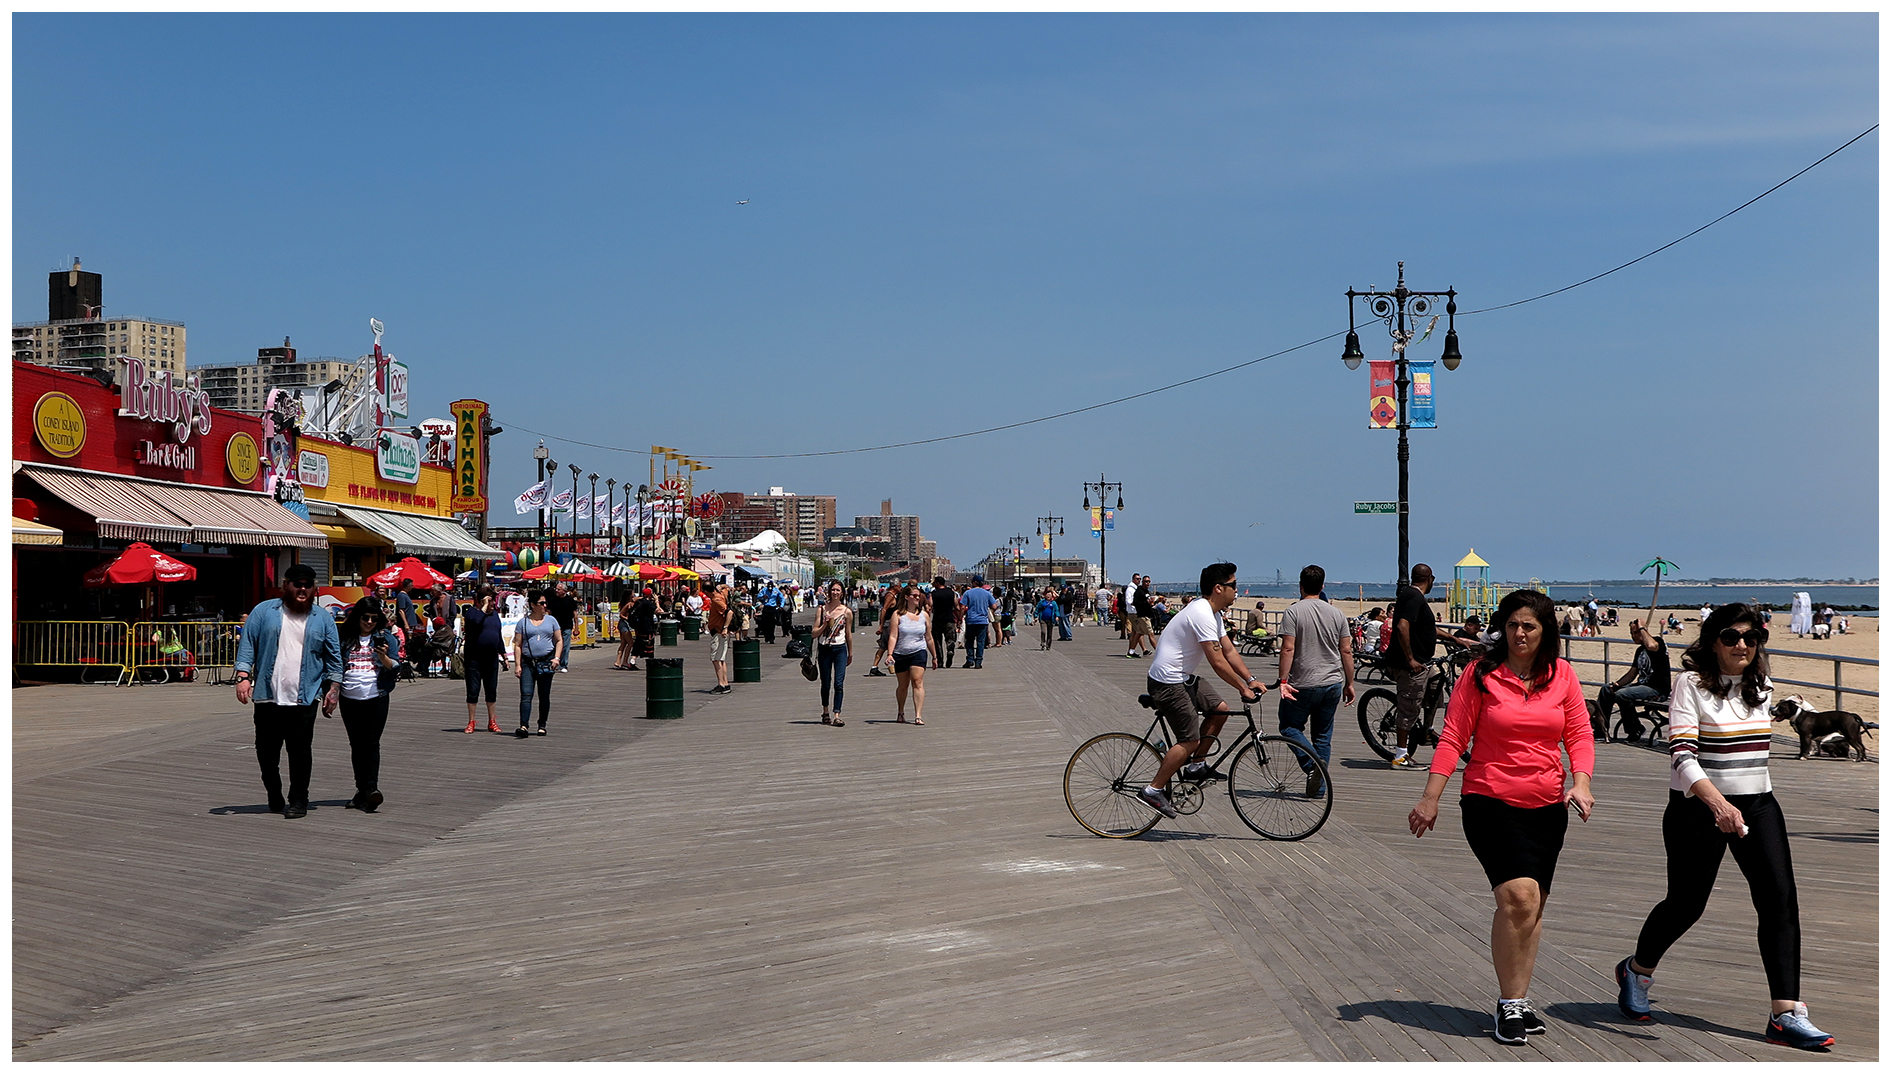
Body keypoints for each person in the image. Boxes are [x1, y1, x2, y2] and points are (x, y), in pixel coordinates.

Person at [1615, 605, 1833, 1049]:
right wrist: (1717, 804)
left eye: (1752, 639)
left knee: (1779, 901)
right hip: (1697, 806)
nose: (1742, 646)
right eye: (1732, 637)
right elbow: (1682, 755)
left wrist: (1738, 806)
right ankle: (1637, 970)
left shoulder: (1761, 687)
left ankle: (1786, 1014)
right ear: (1713, 640)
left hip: (1758, 804)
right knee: (1686, 904)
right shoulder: (1689, 684)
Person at [1407, 589, 1594, 1045]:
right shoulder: (1480, 674)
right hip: (1489, 799)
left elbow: (1580, 733)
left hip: (1548, 805)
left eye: (1529, 626)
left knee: (1531, 907)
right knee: (1518, 897)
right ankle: (1510, 1003)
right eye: (1512, 625)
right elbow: (1452, 737)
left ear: (1545, 630)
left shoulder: (1562, 675)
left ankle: (1518, 997)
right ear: (1502, 628)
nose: (1520, 633)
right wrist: (1430, 798)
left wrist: (1582, 782)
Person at [1136, 563, 1267, 818]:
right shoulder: (1202, 613)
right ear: (1219, 589)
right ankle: (1153, 790)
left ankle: (1196, 766)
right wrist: (1243, 688)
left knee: (1220, 710)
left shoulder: (1214, 613)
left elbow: (1229, 651)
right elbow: (1217, 661)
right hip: (1166, 682)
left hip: (1182, 678)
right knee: (1190, 740)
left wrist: (1251, 679)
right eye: (1233, 586)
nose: (1237, 591)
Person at [232, 564, 343, 820]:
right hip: (267, 695)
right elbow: (247, 646)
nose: (302, 589)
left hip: (305, 697)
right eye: (297, 584)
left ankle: (299, 800)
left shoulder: (323, 618)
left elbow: (334, 659)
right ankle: (274, 791)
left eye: (307, 584)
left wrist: (333, 689)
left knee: (300, 751)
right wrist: (243, 677)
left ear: (314, 588)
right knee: (266, 753)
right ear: (286, 586)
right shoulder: (264, 611)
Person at [1277, 565, 1355, 798]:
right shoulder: (1337, 613)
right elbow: (1347, 651)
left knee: (1289, 727)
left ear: (1300, 586)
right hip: (1331, 682)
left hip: (1302, 682)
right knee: (1322, 736)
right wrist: (1350, 683)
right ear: (1322, 586)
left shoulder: (1294, 612)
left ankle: (1313, 767)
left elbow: (1288, 648)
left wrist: (1282, 680)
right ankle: (1318, 789)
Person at [1388, 563, 1466, 768]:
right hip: (1410, 665)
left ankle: (1427, 729)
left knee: (1435, 687)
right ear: (1429, 579)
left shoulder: (1415, 597)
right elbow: (1402, 626)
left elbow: (1427, 628)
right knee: (1409, 706)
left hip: (1424, 662)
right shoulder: (1414, 597)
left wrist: (1454, 638)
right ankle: (1400, 755)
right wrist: (1411, 659)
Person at [336, 597, 401, 812]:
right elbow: (334, 665)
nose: (370, 622)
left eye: (374, 618)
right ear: (357, 617)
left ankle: (372, 789)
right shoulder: (345, 638)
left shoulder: (385, 638)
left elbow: (395, 666)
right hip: (349, 697)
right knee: (356, 744)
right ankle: (361, 790)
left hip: (377, 696)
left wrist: (383, 658)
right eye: (366, 617)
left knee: (371, 743)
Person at [1594, 618, 1670, 741]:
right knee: (1606, 690)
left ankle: (1635, 729)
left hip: (1657, 689)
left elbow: (1651, 645)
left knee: (1623, 695)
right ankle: (1601, 729)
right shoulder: (1640, 650)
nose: (1633, 636)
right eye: (1632, 633)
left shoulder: (1658, 643)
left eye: (1636, 633)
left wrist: (1642, 628)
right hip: (1642, 686)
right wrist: (1617, 684)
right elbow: (1632, 674)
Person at [510, 589, 564, 737]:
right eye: (541, 603)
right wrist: (518, 665)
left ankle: (542, 724)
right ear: (533, 605)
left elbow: (559, 640)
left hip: (546, 661)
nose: (545, 605)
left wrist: (557, 658)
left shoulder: (551, 620)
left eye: (545, 602)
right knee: (526, 694)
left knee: (544, 695)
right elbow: (518, 644)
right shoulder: (523, 623)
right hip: (528, 662)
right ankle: (523, 726)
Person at [461, 586, 507, 732]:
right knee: (473, 690)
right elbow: (475, 623)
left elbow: (497, 634)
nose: (494, 603)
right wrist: (484, 607)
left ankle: (492, 720)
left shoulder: (494, 615)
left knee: (491, 690)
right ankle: (471, 721)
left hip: (491, 658)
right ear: (482, 601)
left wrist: (503, 654)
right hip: (474, 658)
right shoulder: (471, 613)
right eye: (491, 600)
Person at [890, 584, 935, 724]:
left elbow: (929, 637)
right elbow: (893, 636)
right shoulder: (897, 615)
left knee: (917, 681)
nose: (917, 598)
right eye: (914, 596)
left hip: (919, 651)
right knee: (903, 685)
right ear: (906, 597)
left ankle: (918, 715)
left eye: (918, 596)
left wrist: (934, 656)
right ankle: (901, 711)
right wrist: (890, 654)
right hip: (901, 652)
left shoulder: (924, 615)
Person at [815, 581, 853, 726]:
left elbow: (848, 634)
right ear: (829, 592)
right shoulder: (821, 610)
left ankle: (837, 714)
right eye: (833, 590)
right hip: (824, 648)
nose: (835, 592)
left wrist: (850, 652)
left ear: (842, 593)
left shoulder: (846, 612)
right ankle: (825, 712)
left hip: (840, 649)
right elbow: (814, 633)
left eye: (838, 590)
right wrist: (824, 624)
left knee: (839, 683)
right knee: (825, 683)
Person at [960, 575, 996, 669]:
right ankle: (978, 662)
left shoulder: (968, 593)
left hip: (971, 620)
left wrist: (960, 617)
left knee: (969, 641)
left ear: (974, 582)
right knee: (980, 641)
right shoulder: (987, 593)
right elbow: (994, 606)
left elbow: (962, 607)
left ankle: (970, 660)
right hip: (983, 621)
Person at [705, 580, 733, 694]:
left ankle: (721, 684)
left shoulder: (716, 600)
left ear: (706, 591)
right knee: (721, 658)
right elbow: (728, 587)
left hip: (719, 631)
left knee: (716, 659)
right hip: (721, 632)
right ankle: (725, 683)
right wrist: (721, 586)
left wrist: (725, 627)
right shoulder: (722, 593)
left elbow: (729, 612)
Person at [545, 581, 578, 673]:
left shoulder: (570, 600)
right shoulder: (552, 599)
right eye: (556, 589)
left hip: (567, 626)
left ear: (564, 591)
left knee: (565, 647)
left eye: (558, 589)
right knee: (553, 646)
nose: (556, 590)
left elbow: (575, 614)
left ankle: (563, 664)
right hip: (554, 627)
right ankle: (552, 663)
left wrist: (576, 627)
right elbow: (548, 612)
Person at [1125, 575, 1157, 658]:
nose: (1148, 583)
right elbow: (1133, 602)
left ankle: (1131, 651)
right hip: (1139, 614)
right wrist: (1147, 603)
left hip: (1142, 614)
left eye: (1149, 581)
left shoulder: (1144, 591)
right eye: (1146, 581)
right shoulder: (1135, 590)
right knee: (1150, 633)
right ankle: (1158, 652)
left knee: (1138, 633)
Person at [929, 578, 957, 670]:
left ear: (937, 583)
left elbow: (930, 606)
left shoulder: (934, 594)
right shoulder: (951, 593)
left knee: (937, 641)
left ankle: (940, 661)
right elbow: (957, 606)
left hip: (937, 620)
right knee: (950, 638)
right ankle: (950, 649)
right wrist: (959, 618)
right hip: (949, 619)